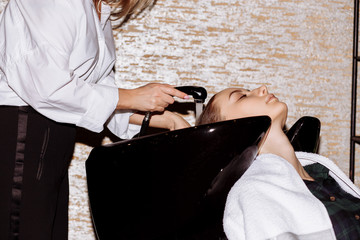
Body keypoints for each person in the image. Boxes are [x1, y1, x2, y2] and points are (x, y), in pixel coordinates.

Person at [0, 0, 191, 239]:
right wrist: (132, 97)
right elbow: (46, 86)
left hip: (52, 139)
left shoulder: (98, 11)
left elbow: (99, 97)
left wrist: (169, 121)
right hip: (23, 130)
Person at [197, 85, 360, 240]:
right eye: (242, 97)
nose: (262, 88)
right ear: (227, 133)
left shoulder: (322, 174)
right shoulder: (254, 193)